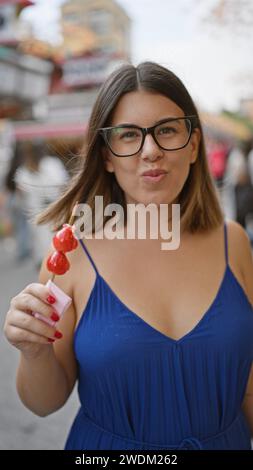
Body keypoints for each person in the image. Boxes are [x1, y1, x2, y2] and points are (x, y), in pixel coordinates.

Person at [3, 62, 253, 451]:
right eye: (129, 135)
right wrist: (34, 352)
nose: (150, 151)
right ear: (106, 155)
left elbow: (249, 389)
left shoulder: (233, 243)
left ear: (193, 144)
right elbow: (43, 403)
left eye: (167, 130)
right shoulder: (72, 255)